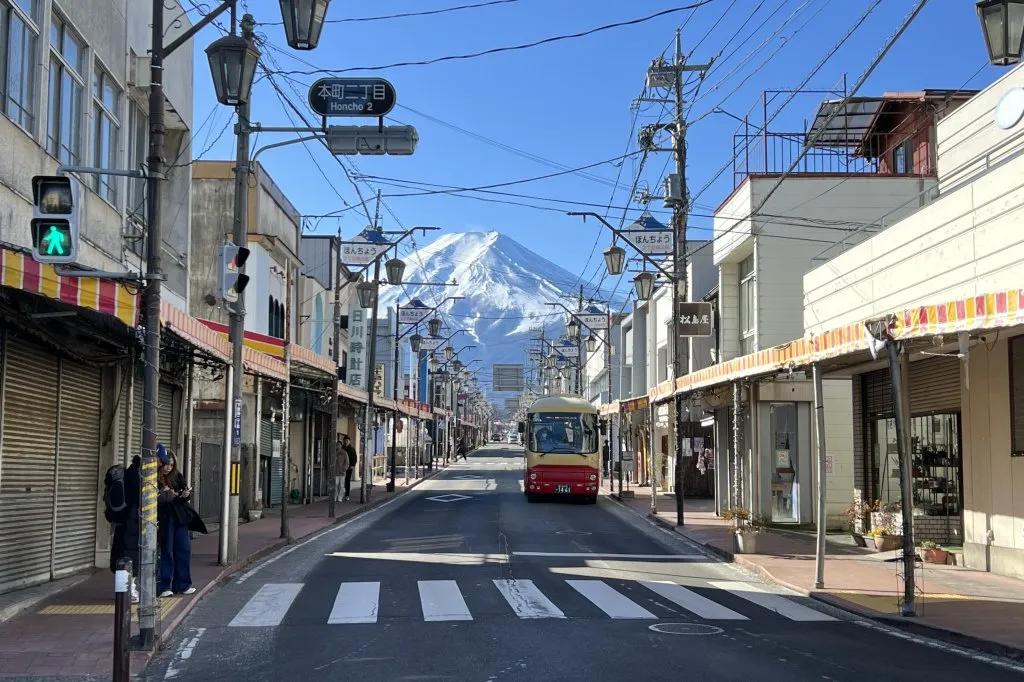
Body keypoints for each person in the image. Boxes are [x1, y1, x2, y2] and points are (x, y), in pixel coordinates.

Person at [156, 446, 196, 597]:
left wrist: (185, 494)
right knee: (166, 551)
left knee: (183, 549)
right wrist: (165, 494)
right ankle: (163, 586)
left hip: (178, 517)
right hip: (163, 517)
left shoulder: (177, 476)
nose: (168, 467)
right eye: (166, 464)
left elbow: (184, 495)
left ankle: (182, 584)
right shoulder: (151, 476)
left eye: (172, 465)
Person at [108, 455, 141, 604]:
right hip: (131, 523)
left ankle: (125, 590)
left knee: (122, 555)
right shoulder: (138, 476)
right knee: (129, 556)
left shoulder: (131, 472)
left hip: (123, 522)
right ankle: (128, 591)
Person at [341, 435, 358, 501]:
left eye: (347, 441)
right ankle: (341, 494)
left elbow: (355, 458)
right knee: (341, 481)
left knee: (347, 481)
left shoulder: (352, 449)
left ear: (349, 441)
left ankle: (347, 495)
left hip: (349, 468)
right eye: (345, 441)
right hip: (341, 468)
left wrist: (352, 465)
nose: (346, 442)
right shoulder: (342, 448)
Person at [333, 435, 350, 503]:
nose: (337, 446)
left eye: (339, 445)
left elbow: (347, 462)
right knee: (335, 484)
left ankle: (340, 497)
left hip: (342, 472)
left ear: (341, 446)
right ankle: (335, 496)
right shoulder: (334, 453)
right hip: (335, 471)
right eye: (337, 445)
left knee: (341, 485)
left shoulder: (344, 453)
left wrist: (344, 469)